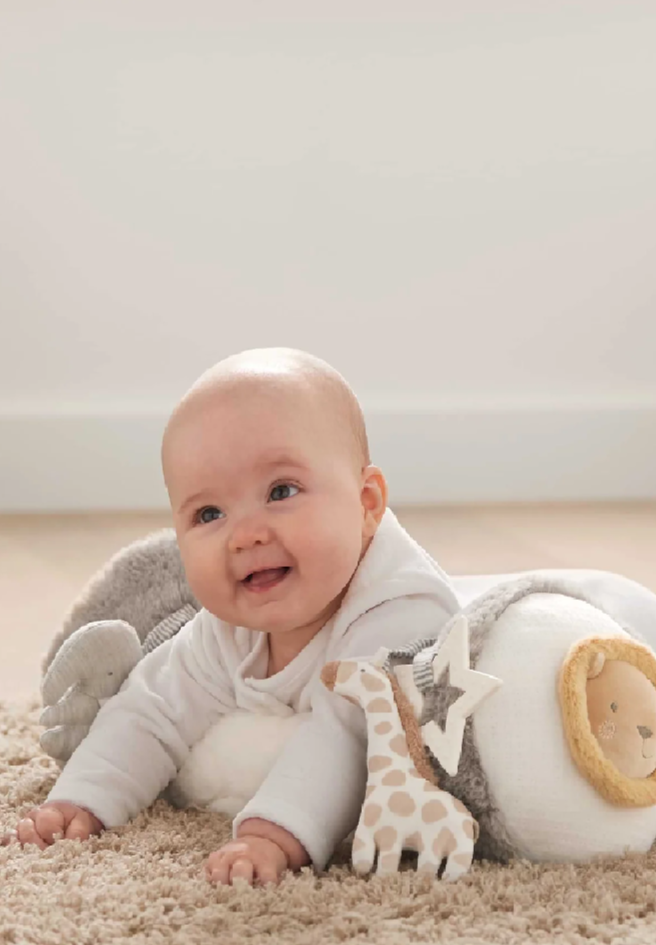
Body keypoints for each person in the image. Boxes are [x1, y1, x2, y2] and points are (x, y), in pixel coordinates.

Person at [9, 347, 460, 885]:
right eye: (210, 513)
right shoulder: (229, 625)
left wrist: (271, 834)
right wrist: (81, 799)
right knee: (152, 669)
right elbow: (151, 710)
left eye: (281, 491)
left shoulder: (401, 611)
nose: (245, 534)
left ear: (366, 504)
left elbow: (350, 733)